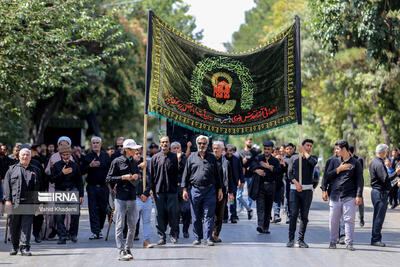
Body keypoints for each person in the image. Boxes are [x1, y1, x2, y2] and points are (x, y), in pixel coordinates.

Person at [182, 135, 223, 246]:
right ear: (197, 144)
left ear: (207, 145)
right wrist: (184, 189)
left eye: (204, 143)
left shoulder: (212, 158)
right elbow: (186, 175)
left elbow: (217, 175)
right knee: (195, 216)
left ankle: (208, 238)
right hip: (195, 190)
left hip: (210, 190)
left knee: (209, 215)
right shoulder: (191, 158)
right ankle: (197, 238)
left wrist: (220, 189)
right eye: (200, 143)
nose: (201, 145)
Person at [325, 140, 363, 251]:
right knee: (333, 220)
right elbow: (327, 176)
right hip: (335, 195)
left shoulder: (356, 163)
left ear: (344, 149)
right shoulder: (333, 161)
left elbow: (360, 180)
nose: (336, 151)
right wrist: (338, 169)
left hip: (350, 195)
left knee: (349, 220)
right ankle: (333, 241)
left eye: (338, 149)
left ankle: (349, 243)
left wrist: (358, 195)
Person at [106, 139, 141, 261]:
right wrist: (122, 177)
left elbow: (137, 177)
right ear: (127, 150)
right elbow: (108, 179)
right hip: (120, 198)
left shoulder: (134, 162)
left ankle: (128, 248)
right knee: (119, 225)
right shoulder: (116, 161)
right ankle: (120, 250)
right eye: (133, 149)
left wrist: (137, 176)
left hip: (132, 197)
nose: (136, 151)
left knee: (132, 225)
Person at [3, 145, 40, 256]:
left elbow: (38, 188)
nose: (25, 156)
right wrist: (8, 200)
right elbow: (6, 186)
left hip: (29, 202)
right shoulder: (11, 169)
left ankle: (25, 248)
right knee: (14, 226)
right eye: (23, 154)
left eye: (27, 154)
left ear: (30, 157)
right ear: (19, 156)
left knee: (26, 226)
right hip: (14, 202)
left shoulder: (35, 170)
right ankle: (14, 247)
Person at [150, 136, 182, 245]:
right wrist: (150, 189)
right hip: (159, 191)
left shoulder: (175, 157)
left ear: (169, 144)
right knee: (160, 215)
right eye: (163, 142)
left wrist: (179, 161)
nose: (164, 144)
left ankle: (173, 234)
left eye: (166, 142)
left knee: (173, 214)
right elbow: (151, 175)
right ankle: (161, 236)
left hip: (172, 191)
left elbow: (180, 172)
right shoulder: (155, 158)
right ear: (160, 144)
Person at [286, 139, 318, 248]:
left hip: (307, 190)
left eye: (310, 146)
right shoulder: (294, 158)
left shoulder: (313, 158)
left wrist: (304, 153)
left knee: (304, 216)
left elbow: (313, 163)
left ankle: (301, 240)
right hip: (295, 190)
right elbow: (289, 174)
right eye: (307, 145)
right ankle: (291, 239)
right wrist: (296, 183)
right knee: (294, 214)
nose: (309, 147)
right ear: (302, 146)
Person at [50, 145, 84, 244]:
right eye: (64, 155)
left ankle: (73, 234)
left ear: (70, 154)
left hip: (73, 191)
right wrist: (62, 173)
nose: (66, 156)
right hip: (60, 191)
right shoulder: (56, 165)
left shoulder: (74, 165)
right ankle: (62, 236)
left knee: (75, 213)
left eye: (68, 154)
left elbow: (79, 181)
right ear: (61, 155)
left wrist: (81, 195)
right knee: (59, 215)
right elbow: (52, 180)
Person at [369, 144, 400, 247]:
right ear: (383, 152)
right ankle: (375, 239)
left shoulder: (374, 161)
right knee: (379, 217)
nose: (387, 153)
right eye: (386, 151)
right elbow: (385, 180)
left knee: (377, 216)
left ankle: (375, 238)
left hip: (377, 192)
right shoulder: (379, 163)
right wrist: (396, 173)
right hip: (380, 193)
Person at [81, 136, 110, 240]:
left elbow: (110, 171)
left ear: (101, 144)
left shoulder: (106, 156)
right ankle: (95, 231)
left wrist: (112, 186)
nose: (95, 145)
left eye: (97, 143)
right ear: (91, 144)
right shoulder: (87, 156)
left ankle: (100, 228)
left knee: (103, 209)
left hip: (104, 187)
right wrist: (90, 165)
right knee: (92, 209)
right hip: (92, 187)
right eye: (93, 143)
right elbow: (81, 170)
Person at [251, 141, 281, 234]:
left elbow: (278, 172)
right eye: (265, 149)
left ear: (272, 149)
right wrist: (257, 171)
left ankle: (266, 227)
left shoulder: (275, 161)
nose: (267, 150)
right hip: (260, 185)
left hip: (271, 185)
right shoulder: (259, 158)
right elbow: (251, 167)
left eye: (268, 149)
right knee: (260, 206)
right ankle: (260, 225)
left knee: (268, 207)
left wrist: (269, 167)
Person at [212, 141, 235, 242]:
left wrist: (231, 193)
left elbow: (230, 178)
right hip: (210, 191)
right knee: (209, 213)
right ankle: (209, 234)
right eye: (214, 148)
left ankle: (216, 234)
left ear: (222, 150)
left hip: (223, 191)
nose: (216, 150)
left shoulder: (226, 163)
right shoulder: (209, 160)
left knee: (219, 214)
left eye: (218, 148)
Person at [133, 148, 154, 248]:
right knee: (133, 220)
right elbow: (130, 178)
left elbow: (151, 181)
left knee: (147, 220)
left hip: (146, 197)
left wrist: (146, 194)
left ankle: (146, 240)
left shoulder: (146, 165)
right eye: (136, 154)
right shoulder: (130, 164)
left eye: (139, 154)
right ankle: (130, 240)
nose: (138, 155)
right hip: (135, 197)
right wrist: (138, 167)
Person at [171, 141, 191, 238]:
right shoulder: (169, 159)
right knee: (175, 212)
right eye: (174, 148)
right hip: (173, 188)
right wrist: (177, 160)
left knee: (186, 210)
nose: (176, 150)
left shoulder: (186, 159)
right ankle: (176, 232)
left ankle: (185, 229)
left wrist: (180, 160)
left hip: (184, 188)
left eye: (177, 148)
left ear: (181, 149)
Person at [225, 144, 245, 223]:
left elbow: (240, 170)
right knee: (223, 200)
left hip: (233, 183)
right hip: (224, 183)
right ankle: (224, 216)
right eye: (228, 151)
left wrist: (242, 180)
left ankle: (233, 216)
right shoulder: (223, 159)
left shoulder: (236, 159)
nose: (230, 153)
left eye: (231, 151)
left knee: (232, 200)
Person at [238, 137, 258, 215]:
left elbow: (256, 162)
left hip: (251, 175)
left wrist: (252, 167)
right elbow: (239, 164)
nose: (250, 143)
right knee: (239, 195)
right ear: (245, 142)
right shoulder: (241, 152)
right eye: (248, 142)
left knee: (250, 193)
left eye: (251, 142)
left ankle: (248, 209)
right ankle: (243, 207)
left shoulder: (254, 152)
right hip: (242, 176)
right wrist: (243, 163)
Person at [349, 146, 365, 226]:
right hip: (348, 185)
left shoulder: (358, 160)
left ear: (351, 153)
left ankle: (361, 218)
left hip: (357, 184)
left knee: (360, 202)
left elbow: (360, 174)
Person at [272, 146, 286, 223]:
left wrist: (283, 163)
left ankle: (276, 215)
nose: (277, 154)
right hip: (270, 184)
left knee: (277, 200)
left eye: (278, 152)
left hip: (279, 184)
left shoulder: (280, 161)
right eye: (275, 152)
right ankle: (268, 216)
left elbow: (285, 171)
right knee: (270, 201)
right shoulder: (269, 161)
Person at [284, 143, 296, 224]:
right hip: (288, 182)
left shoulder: (298, 157)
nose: (289, 150)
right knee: (288, 198)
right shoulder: (283, 159)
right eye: (287, 149)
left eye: (290, 148)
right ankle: (289, 215)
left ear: (294, 149)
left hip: (297, 181)